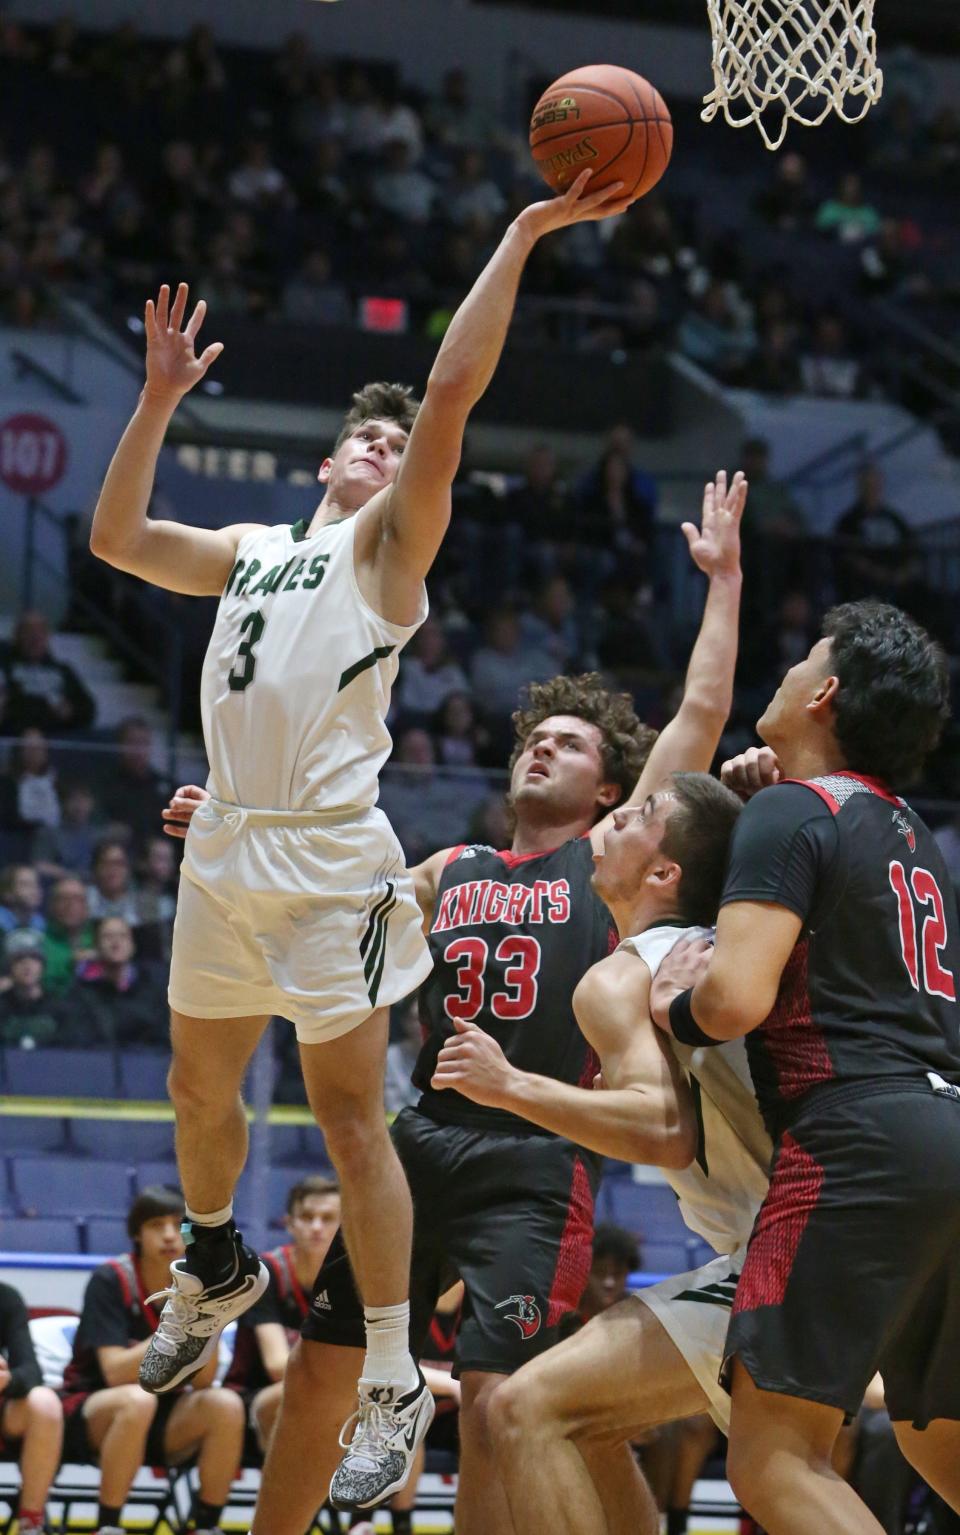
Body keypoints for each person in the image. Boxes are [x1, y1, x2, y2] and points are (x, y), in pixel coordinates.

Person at [88, 168, 636, 1512]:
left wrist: (517, 230)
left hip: (333, 858)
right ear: (323, 462)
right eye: (369, 443)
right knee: (195, 1090)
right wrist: (157, 400)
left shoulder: (390, 559)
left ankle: (393, 1371)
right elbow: (112, 535)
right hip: (226, 843)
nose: (389, 451)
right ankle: (214, 1256)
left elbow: (446, 399)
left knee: (345, 1116)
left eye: (400, 448)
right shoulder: (250, 547)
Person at [164, 467, 747, 1535]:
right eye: (537, 734)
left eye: (569, 743)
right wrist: (231, 822)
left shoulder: (609, 875)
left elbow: (702, 710)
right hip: (418, 1144)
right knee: (322, 1374)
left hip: (531, 1165)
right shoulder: (454, 860)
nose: (542, 744)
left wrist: (721, 580)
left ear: (613, 792)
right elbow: (329, 885)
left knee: (492, 1406)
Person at [650, 601, 960, 1535]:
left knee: (774, 1456)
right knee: (939, 1439)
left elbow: (735, 1000)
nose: (784, 671)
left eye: (803, 658)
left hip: (856, 1137)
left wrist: (674, 1000)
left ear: (823, 690)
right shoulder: (912, 833)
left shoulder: (791, 809)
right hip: (945, 1130)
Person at [436, 772, 768, 1535]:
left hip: (800, 1245)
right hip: (892, 1210)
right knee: (591, 1419)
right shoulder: (737, 946)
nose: (620, 813)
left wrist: (510, 1083)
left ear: (663, 873)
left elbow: (661, 1128)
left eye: (643, 812)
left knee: (526, 1406)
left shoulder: (628, 972)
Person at [59, 1186, 245, 1535]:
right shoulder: (112, 1279)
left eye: (179, 1226)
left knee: (225, 1404)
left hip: (163, 1416)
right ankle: (109, 1526)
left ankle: (205, 1525)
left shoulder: (199, 1286)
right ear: (136, 1233)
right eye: (157, 1225)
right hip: (92, 1411)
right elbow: (115, 1373)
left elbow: (203, 1382)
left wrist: (209, 1317)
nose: (170, 1235)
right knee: (137, 1399)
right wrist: (176, 1323)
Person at [226, 1177, 342, 1454]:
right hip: (255, 1396)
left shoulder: (349, 1282)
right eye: (307, 1217)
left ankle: (351, 1498)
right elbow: (278, 1366)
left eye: (327, 1218)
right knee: (300, 1395)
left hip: (320, 1391)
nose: (316, 1227)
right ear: (290, 1223)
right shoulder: (266, 1273)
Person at [0, 1279, 63, 1534]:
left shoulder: (6, 1298)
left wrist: (7, 1379)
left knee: (44, 1402)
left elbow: (30, 1371)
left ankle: (30, 1522)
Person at [1, 610, 95, 735]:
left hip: (56, 739)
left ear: (47, 636)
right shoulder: (5, 666)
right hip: (16, 735)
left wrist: (71, 711)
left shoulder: (63, 670)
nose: (35, 636)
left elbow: (88, 708)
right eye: (29, 631)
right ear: (17, 635)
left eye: (40, 631)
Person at [0, 928, 75, 1048]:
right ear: (10, 966)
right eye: (19, 959)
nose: (27, 965)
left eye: (34, 958)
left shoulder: (59, 1009)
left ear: (43, 965)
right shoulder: (2, 1007)